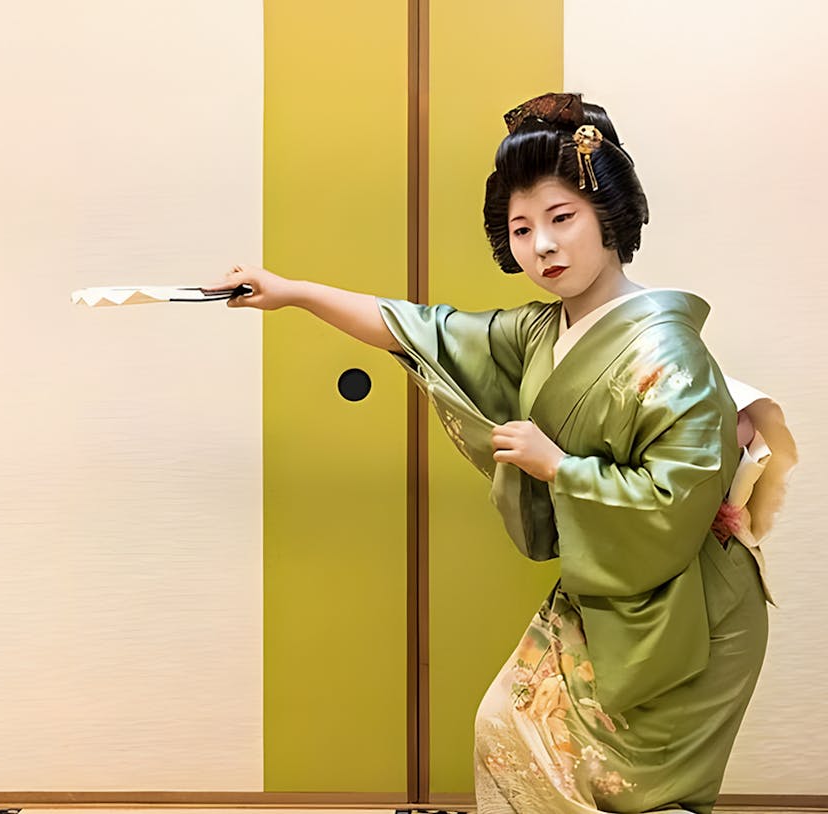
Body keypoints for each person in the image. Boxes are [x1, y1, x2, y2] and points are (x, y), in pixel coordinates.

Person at [210, 91, 795, 814]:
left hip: (690, 604)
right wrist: (293, 292)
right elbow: (417, 329)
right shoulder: (540, 333)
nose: (541, 247)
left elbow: (678, 501)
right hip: (618, 588)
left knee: (617, 789)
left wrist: (559, 468)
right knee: (506, 730)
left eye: (561, 219)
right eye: (521, 229)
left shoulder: (670, 355)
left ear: (609, 215)